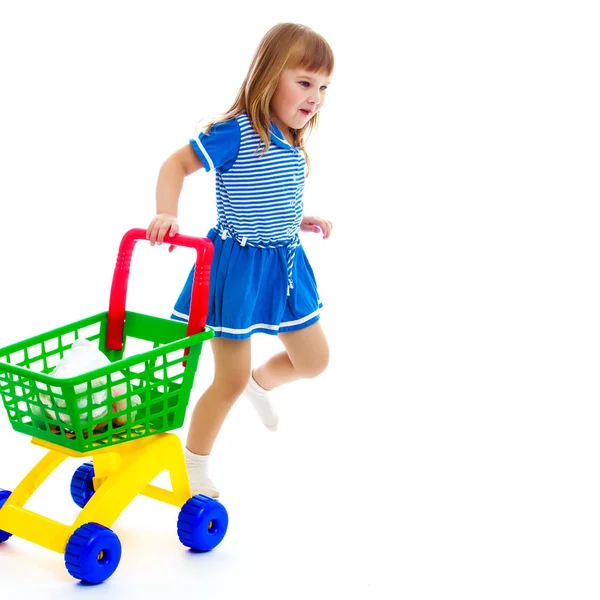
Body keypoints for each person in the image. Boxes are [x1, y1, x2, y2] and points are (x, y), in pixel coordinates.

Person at [146, 22, 334, 499]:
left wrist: (298, 219)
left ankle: (260, 383)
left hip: (284, 263)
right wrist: (166, 212)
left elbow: (268, 194)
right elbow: (175, 165)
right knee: (225, 381)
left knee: (313, 360)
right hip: (238, 270)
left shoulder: (290, 137)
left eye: (324, 87)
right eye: (305, 82)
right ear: (271, 75)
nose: (316, 96)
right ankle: (194, 465)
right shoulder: (237, 132)